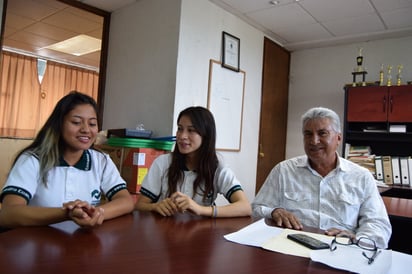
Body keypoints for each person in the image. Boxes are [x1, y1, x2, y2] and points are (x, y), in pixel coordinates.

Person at [252, 107, 391, 248]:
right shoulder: (284, 171)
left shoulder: (361, 177)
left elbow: (379, 226)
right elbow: (256, 209)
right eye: (308, 134)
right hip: (292, 248)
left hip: (341, 250)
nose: (314, 141)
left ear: (338, 138)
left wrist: (356, 239)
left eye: (322, 133)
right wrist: (274, 211)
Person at [0, 91, 134, 228]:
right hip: (38, 244)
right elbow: (8, 213)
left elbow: (126, 200)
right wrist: (66, 214)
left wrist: (98, 213)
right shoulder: (33, 160)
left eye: (92, 124)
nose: (86, 130)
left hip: (81, 243)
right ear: (59, 124)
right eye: (76, 122)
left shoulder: (101, 161)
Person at [135, 106, 251, 217]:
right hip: (165, 231)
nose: (182, 136)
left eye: (191, 130)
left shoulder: (217, 167)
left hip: (201, 233)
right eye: (180, 129)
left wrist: (200, 209)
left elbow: (245, 207)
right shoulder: (162, 163)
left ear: (206, 136)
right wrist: (156, 207)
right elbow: (139, 205)